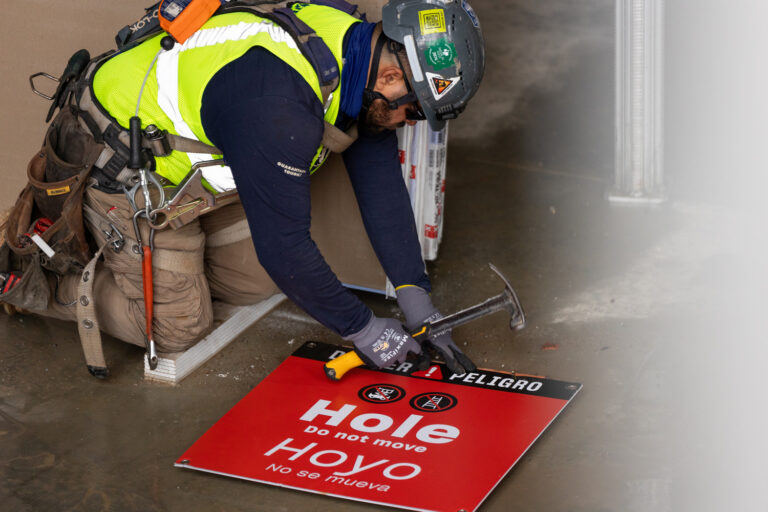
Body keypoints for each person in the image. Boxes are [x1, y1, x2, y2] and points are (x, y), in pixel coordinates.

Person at [1, 0, 484, 376]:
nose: (409, 122)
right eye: (414, 110)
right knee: (182, 327)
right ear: (394, 74)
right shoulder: (278, 109)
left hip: (194, 171)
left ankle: (165, 269)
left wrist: (412, 291)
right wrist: (366, 331)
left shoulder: (353, 44)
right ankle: (27, 273)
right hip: (118, 171)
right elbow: (286, 250)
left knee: (256, 285)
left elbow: (377, 173)